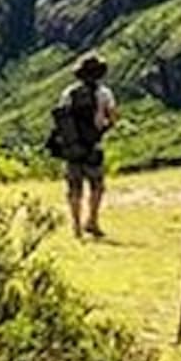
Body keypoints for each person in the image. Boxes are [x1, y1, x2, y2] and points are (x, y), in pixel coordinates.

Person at [50, 54, 117, 238]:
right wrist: (101, 129)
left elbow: (61, 118)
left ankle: (76, 226)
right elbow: (112, 117)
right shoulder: (105, 94)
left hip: (72, 148)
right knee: (97, 186)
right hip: (93, 146)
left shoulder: (68, 93)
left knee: (74, 188)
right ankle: (92, 221)